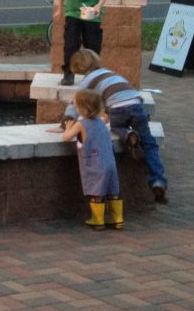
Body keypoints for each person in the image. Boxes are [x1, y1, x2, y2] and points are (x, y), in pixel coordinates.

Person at [65, 49, 168, 204]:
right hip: (136, 103)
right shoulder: (110, 73)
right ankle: (158, 181)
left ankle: (127, 135)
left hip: (117, 109)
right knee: (149, 143)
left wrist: (67, 120)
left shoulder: (87, 81)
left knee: (112, 125)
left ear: (78, 68)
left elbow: (75, 102)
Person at [61, 88, 122, 230]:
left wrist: (68, 127)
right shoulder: (101, 122)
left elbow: (66, 138)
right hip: (110, 163)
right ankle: (118, 219)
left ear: (81, 108)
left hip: (95, 165)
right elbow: (105, 118)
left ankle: (97, 220)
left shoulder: (81, 124)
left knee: (97, 192)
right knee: (113, 191)